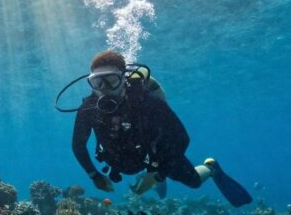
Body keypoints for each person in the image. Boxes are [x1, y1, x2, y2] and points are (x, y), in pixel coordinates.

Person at [64, 50, 251, 207]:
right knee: (137, 174)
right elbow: (77, 144)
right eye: (97, 81)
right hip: (120, 160)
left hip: (158, 157)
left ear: (123, 79)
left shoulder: (148, 102)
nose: (104, 88)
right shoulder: (88, 108)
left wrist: (158, 174)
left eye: (111, 80)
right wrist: (94, 175)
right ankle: (154, 180)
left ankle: (211, 168)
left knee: (194, 182)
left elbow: (181, 139)